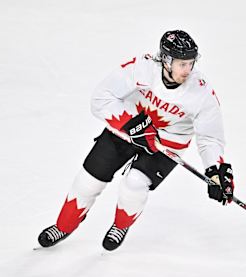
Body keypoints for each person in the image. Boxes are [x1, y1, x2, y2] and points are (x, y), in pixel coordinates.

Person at [37, 30, 234, 251]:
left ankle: (121, 225)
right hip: (126, 130)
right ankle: (64, 226)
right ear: (166, 60)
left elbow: (210, 136)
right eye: (182, 64)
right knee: (88, 180)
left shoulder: (201, 92)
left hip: (167, 144)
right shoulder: (142, 68)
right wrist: (133, 124)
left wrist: (216, 170)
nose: (188, 70)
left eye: (191, 63)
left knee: (135, 183)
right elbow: (100, 98)